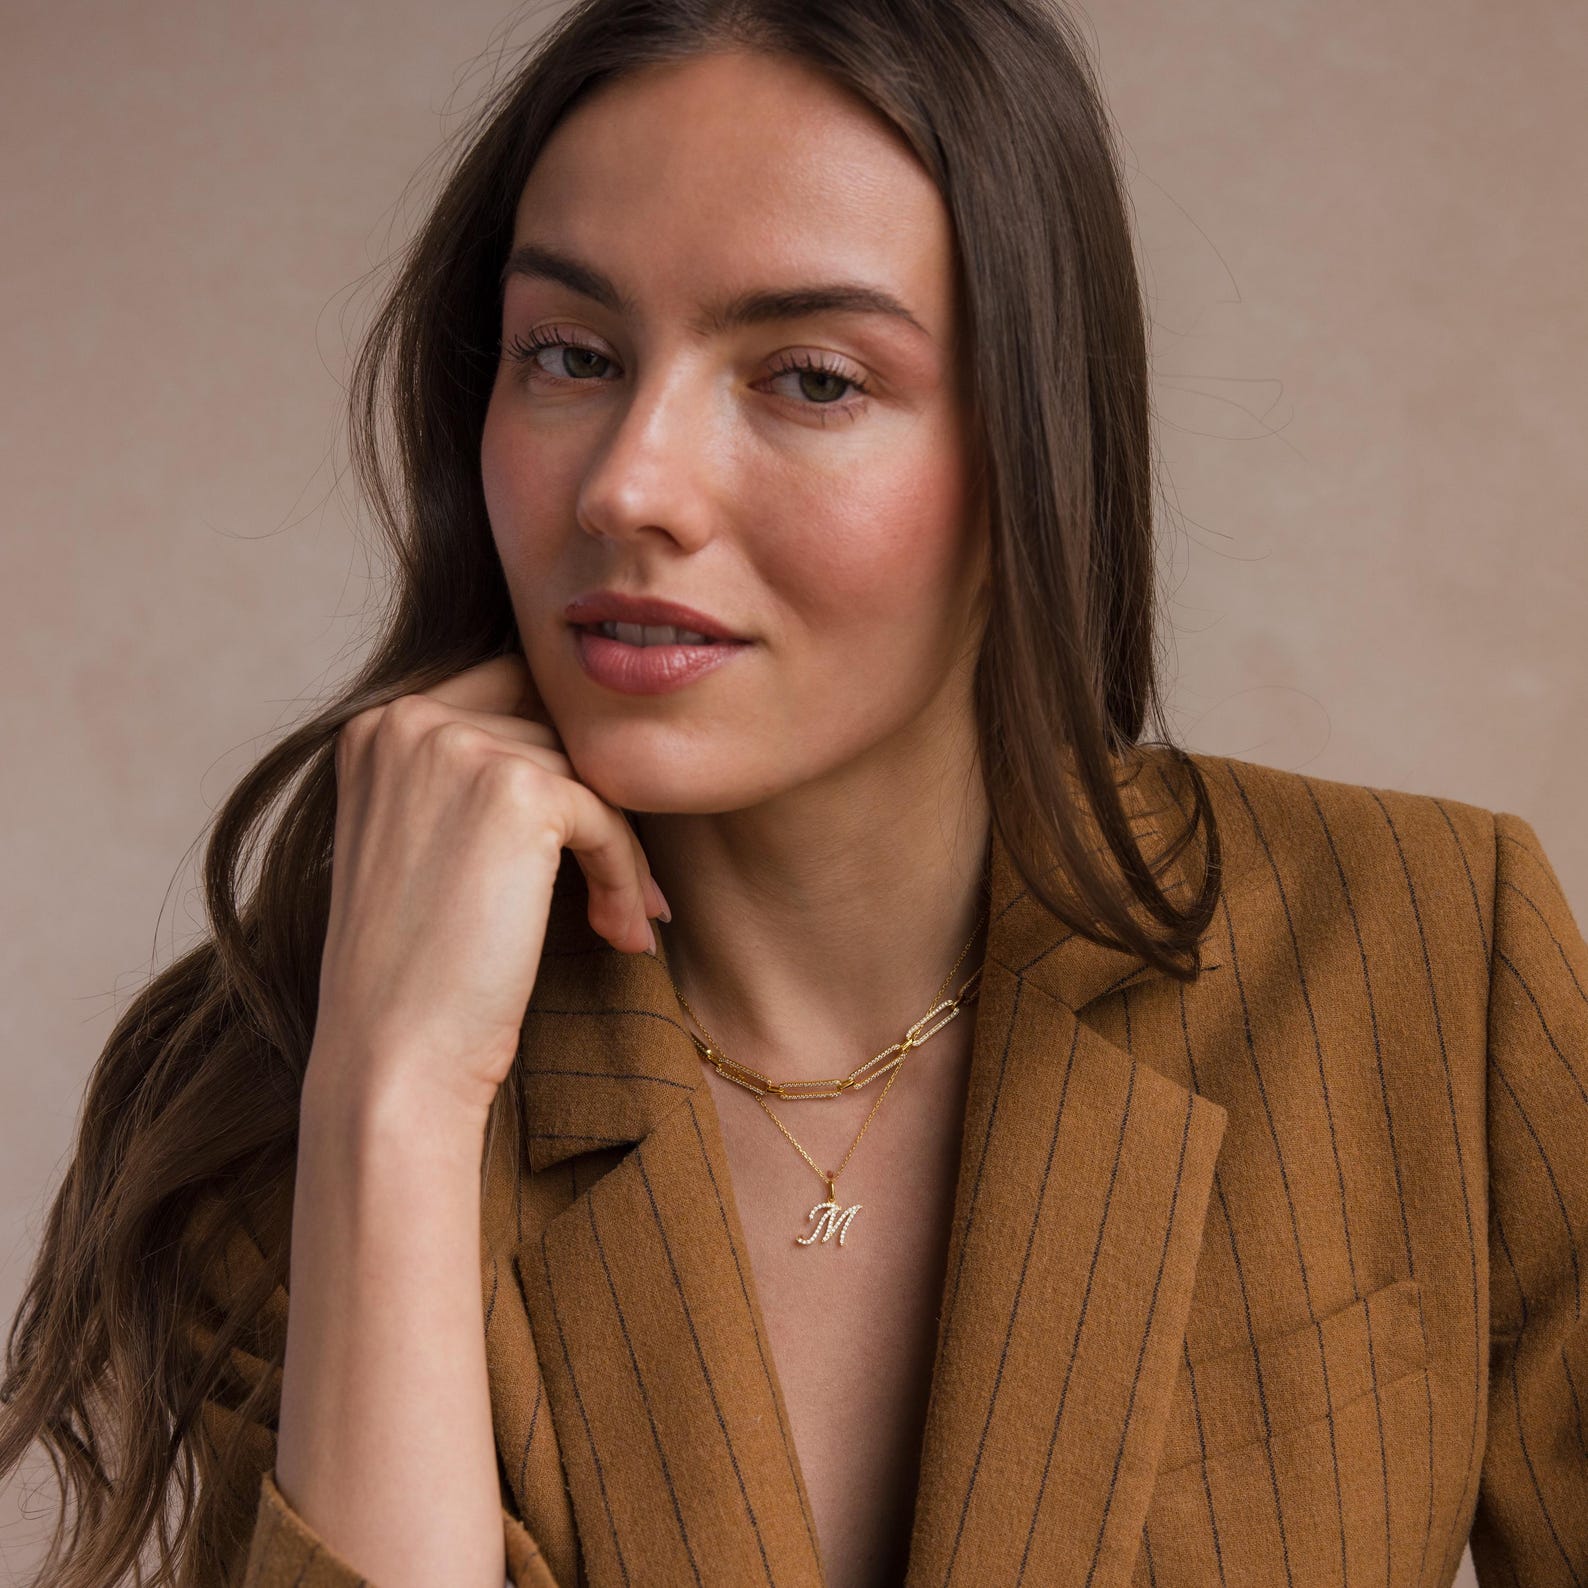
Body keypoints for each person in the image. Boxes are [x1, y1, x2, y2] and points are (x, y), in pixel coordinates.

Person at [4, 0, 1585, 1584]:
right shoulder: (282, 1079)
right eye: (570, 354)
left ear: (1032, 446)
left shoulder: (1432, 953)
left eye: (813, 379)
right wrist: (396, 1106)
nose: (630, 482)